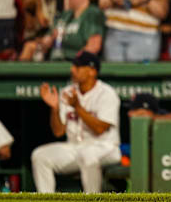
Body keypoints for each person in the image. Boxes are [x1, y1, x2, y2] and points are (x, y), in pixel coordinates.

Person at [32, 52, 121, 193]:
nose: (72, 70)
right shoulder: (68, 92)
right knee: (40, 156)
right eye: (73, 66)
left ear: (92, 71)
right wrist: (54, 108)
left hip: (105, 147)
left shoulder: (107, 93)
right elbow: (58, 131)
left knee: (88, 155)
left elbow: (100, 129)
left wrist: (77, 107)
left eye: (78, 67)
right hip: (75, 147)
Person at [20, 0, 104, 61]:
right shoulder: (65, 15)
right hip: (55, 60)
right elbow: (45, 42)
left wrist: (78, 63)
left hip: (74, 62)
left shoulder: (92, 13)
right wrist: (51, 38)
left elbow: (93, 46)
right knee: (29, 46)